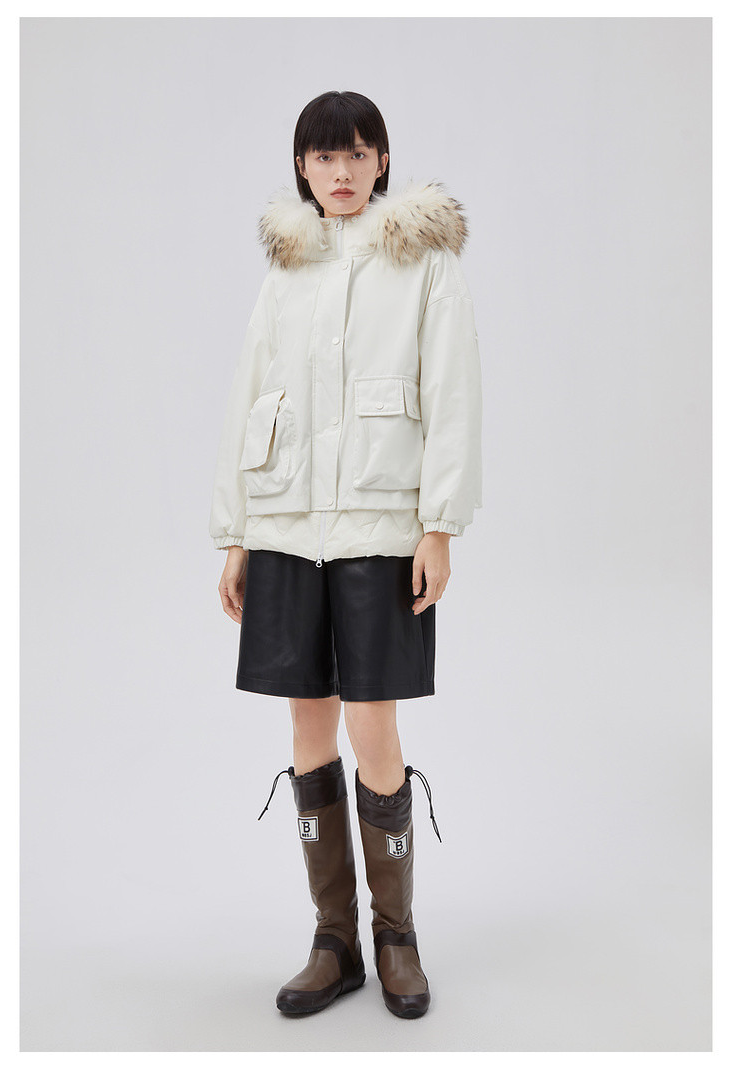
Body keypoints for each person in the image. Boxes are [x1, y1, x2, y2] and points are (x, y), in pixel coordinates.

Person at [208, 90, 482, 1018]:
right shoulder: (287, 267)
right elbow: (249, 394)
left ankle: (396, 934)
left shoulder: (424, 262)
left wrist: (439, 524)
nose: (340, 172)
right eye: (323, 157)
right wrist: (236, 532)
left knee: (374, 727)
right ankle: (334, 940)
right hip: (287, 525)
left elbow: (451, 392)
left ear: (382, 161)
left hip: (379, 526)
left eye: (357, 154)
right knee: (307, 730)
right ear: (301, 166)